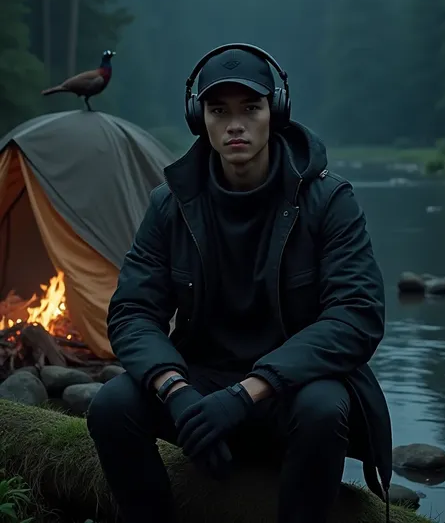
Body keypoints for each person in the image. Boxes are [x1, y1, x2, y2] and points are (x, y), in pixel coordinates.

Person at [87, 43, 393, 523]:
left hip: (292, 388)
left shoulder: (329, 200)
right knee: (111, 405)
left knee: (323, 406)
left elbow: (357, 314)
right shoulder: (169, 205)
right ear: (198, 117)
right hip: (203, 383)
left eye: (250, 108)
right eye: (218, 110)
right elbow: (131, 312)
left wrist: (249, 392)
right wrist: (176, 391)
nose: (235, 124)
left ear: (276, 111)